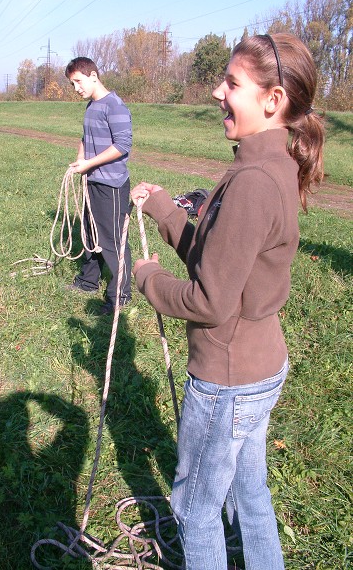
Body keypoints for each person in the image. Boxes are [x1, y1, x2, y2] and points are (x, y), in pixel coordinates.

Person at [131, 33, 324, 569]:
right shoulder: (269, 166)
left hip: (228, 379)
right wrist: (167, 213)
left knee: (194, 508)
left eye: (232, 83)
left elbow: (211, 299)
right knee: (249, 494)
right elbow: (222, 264)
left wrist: (147, 278)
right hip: (258, 370)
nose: (218, 92)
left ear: (273, 99)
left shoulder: (254, 182)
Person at [65, 57, 132, 315]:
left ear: (93, 76)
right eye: (72, 84)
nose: (76, 89)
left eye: (78, 82)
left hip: (111, 184)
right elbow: (86, 136)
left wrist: (90, 162)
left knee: (113, 240)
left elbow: (122, 145)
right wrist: (82, 160)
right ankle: (88, 281)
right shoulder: (91, 106)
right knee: (91, 233)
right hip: (92, 179)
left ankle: (120, 295)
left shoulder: (114, 106)